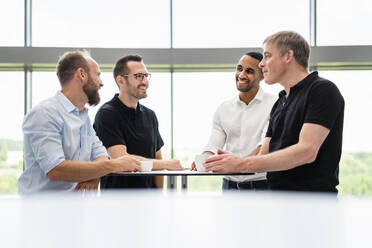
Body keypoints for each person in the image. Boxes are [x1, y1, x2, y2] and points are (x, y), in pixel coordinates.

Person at [204, 31, 345, 193]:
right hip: (278, 200)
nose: (262, 64)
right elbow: (263, 156)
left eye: (267, 56)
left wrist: (239, 164)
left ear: (288, 56)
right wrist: (224, 161)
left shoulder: (322, 90)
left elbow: (307, 151)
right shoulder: (280, 102)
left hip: (312, 202)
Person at [18, 51, 141, 195]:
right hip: (42, 209)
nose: (101, 83)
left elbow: (100, 155)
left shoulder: (83, 117)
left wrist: (94, 175)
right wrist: (113, 165)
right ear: (82, 74)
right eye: (98, 75)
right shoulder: (44, 113)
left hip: (74, 207)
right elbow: (56, 169)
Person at [93, 55, 183, 190]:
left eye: (146, 76)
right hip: (117, 201)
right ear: (120, 80)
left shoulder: (150, 115)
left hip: (149, 201)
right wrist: (167, 164)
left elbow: (158, 157)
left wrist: (158, 196)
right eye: (139, 76)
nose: (145, 81)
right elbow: (121, 159)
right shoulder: (107, 114)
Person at [192, 52, 277, 190]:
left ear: (262, 75)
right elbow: (214, 144)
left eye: (249, 71)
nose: (242, 75)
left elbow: (264, 147)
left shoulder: (274, 104)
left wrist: (238, 164)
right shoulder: (223, 108)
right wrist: (205, 159)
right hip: (229, 186)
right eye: (239, 68)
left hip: (261, 186)